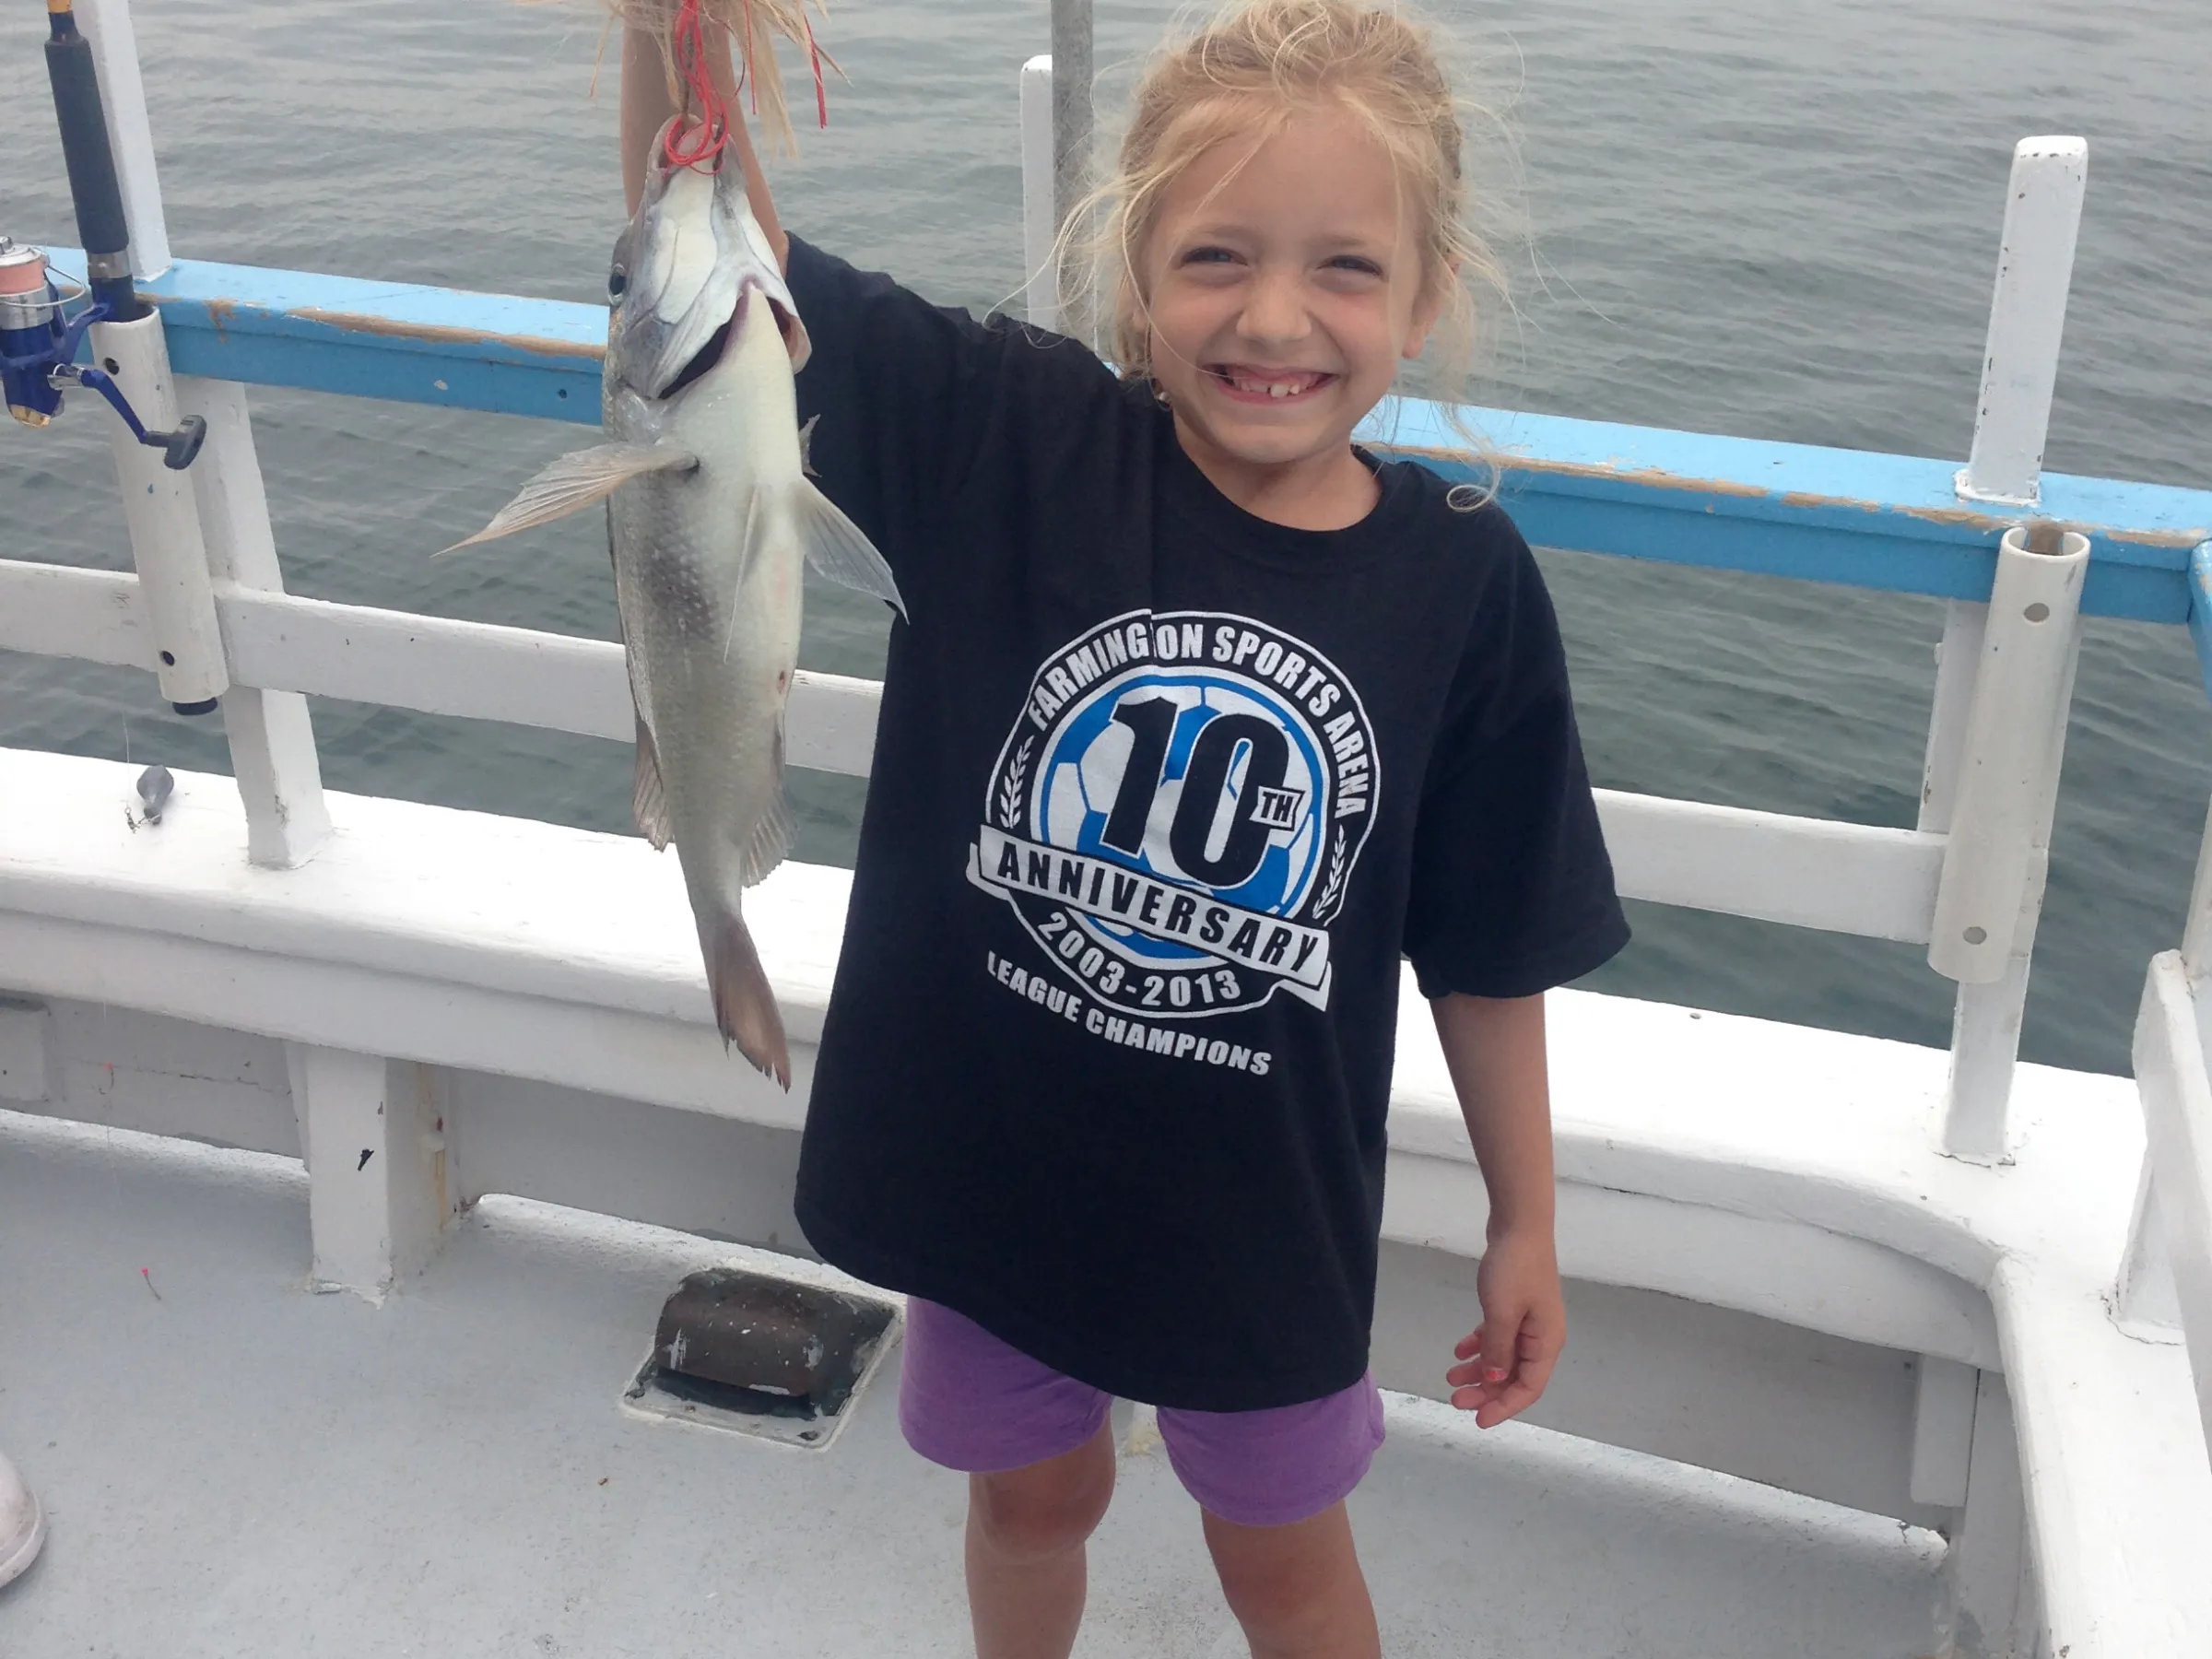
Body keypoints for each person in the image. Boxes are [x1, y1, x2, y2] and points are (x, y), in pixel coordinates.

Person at [620, 3, 1628, 1654]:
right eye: (1217, 257)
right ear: (1134, 269)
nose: (1276, 318)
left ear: (1429, 295)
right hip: (989, 1175)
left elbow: (1492, 938)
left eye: (1347, 271)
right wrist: (672, 38)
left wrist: (1528, 1219)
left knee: (1284, 1559)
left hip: (1256, 1226)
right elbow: (711, 263)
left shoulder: (1463, 581)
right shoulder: (1007, 444)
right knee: (1030, 1504)